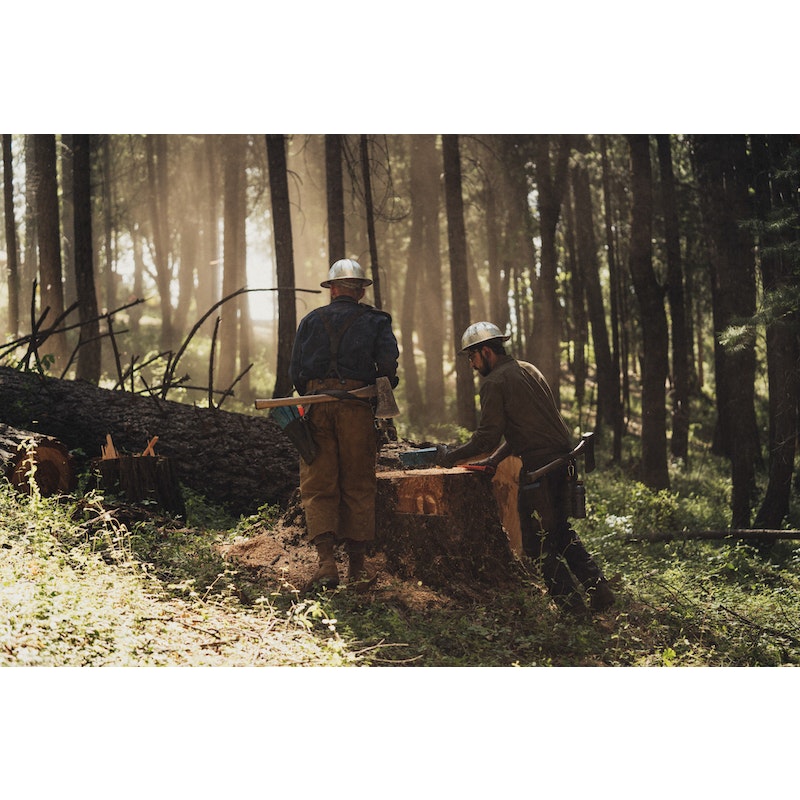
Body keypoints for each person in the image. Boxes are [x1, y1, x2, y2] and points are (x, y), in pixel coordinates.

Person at [436, 321, 614, 616]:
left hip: (540, 472)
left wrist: (451, 455)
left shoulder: (494, 383)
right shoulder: (528, 369)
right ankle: (601, 593)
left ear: (486, 351)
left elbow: (488, 436)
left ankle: (574, 612)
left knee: (537, 545)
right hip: (562, 464)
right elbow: (523, 431)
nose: (471, 363)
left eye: (472, 356)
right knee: (559, 531)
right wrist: (493, 461)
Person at [289, 258, 399, 590]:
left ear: (333, 289)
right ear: (361, 291)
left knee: (318, 483)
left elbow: (296, 371)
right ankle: (358, 570)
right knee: (358, 483)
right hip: (356, 407)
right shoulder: (377, 321)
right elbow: (388, 367)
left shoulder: (310, 321)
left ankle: (326, 565)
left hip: (317, 406)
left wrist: (315, 395)